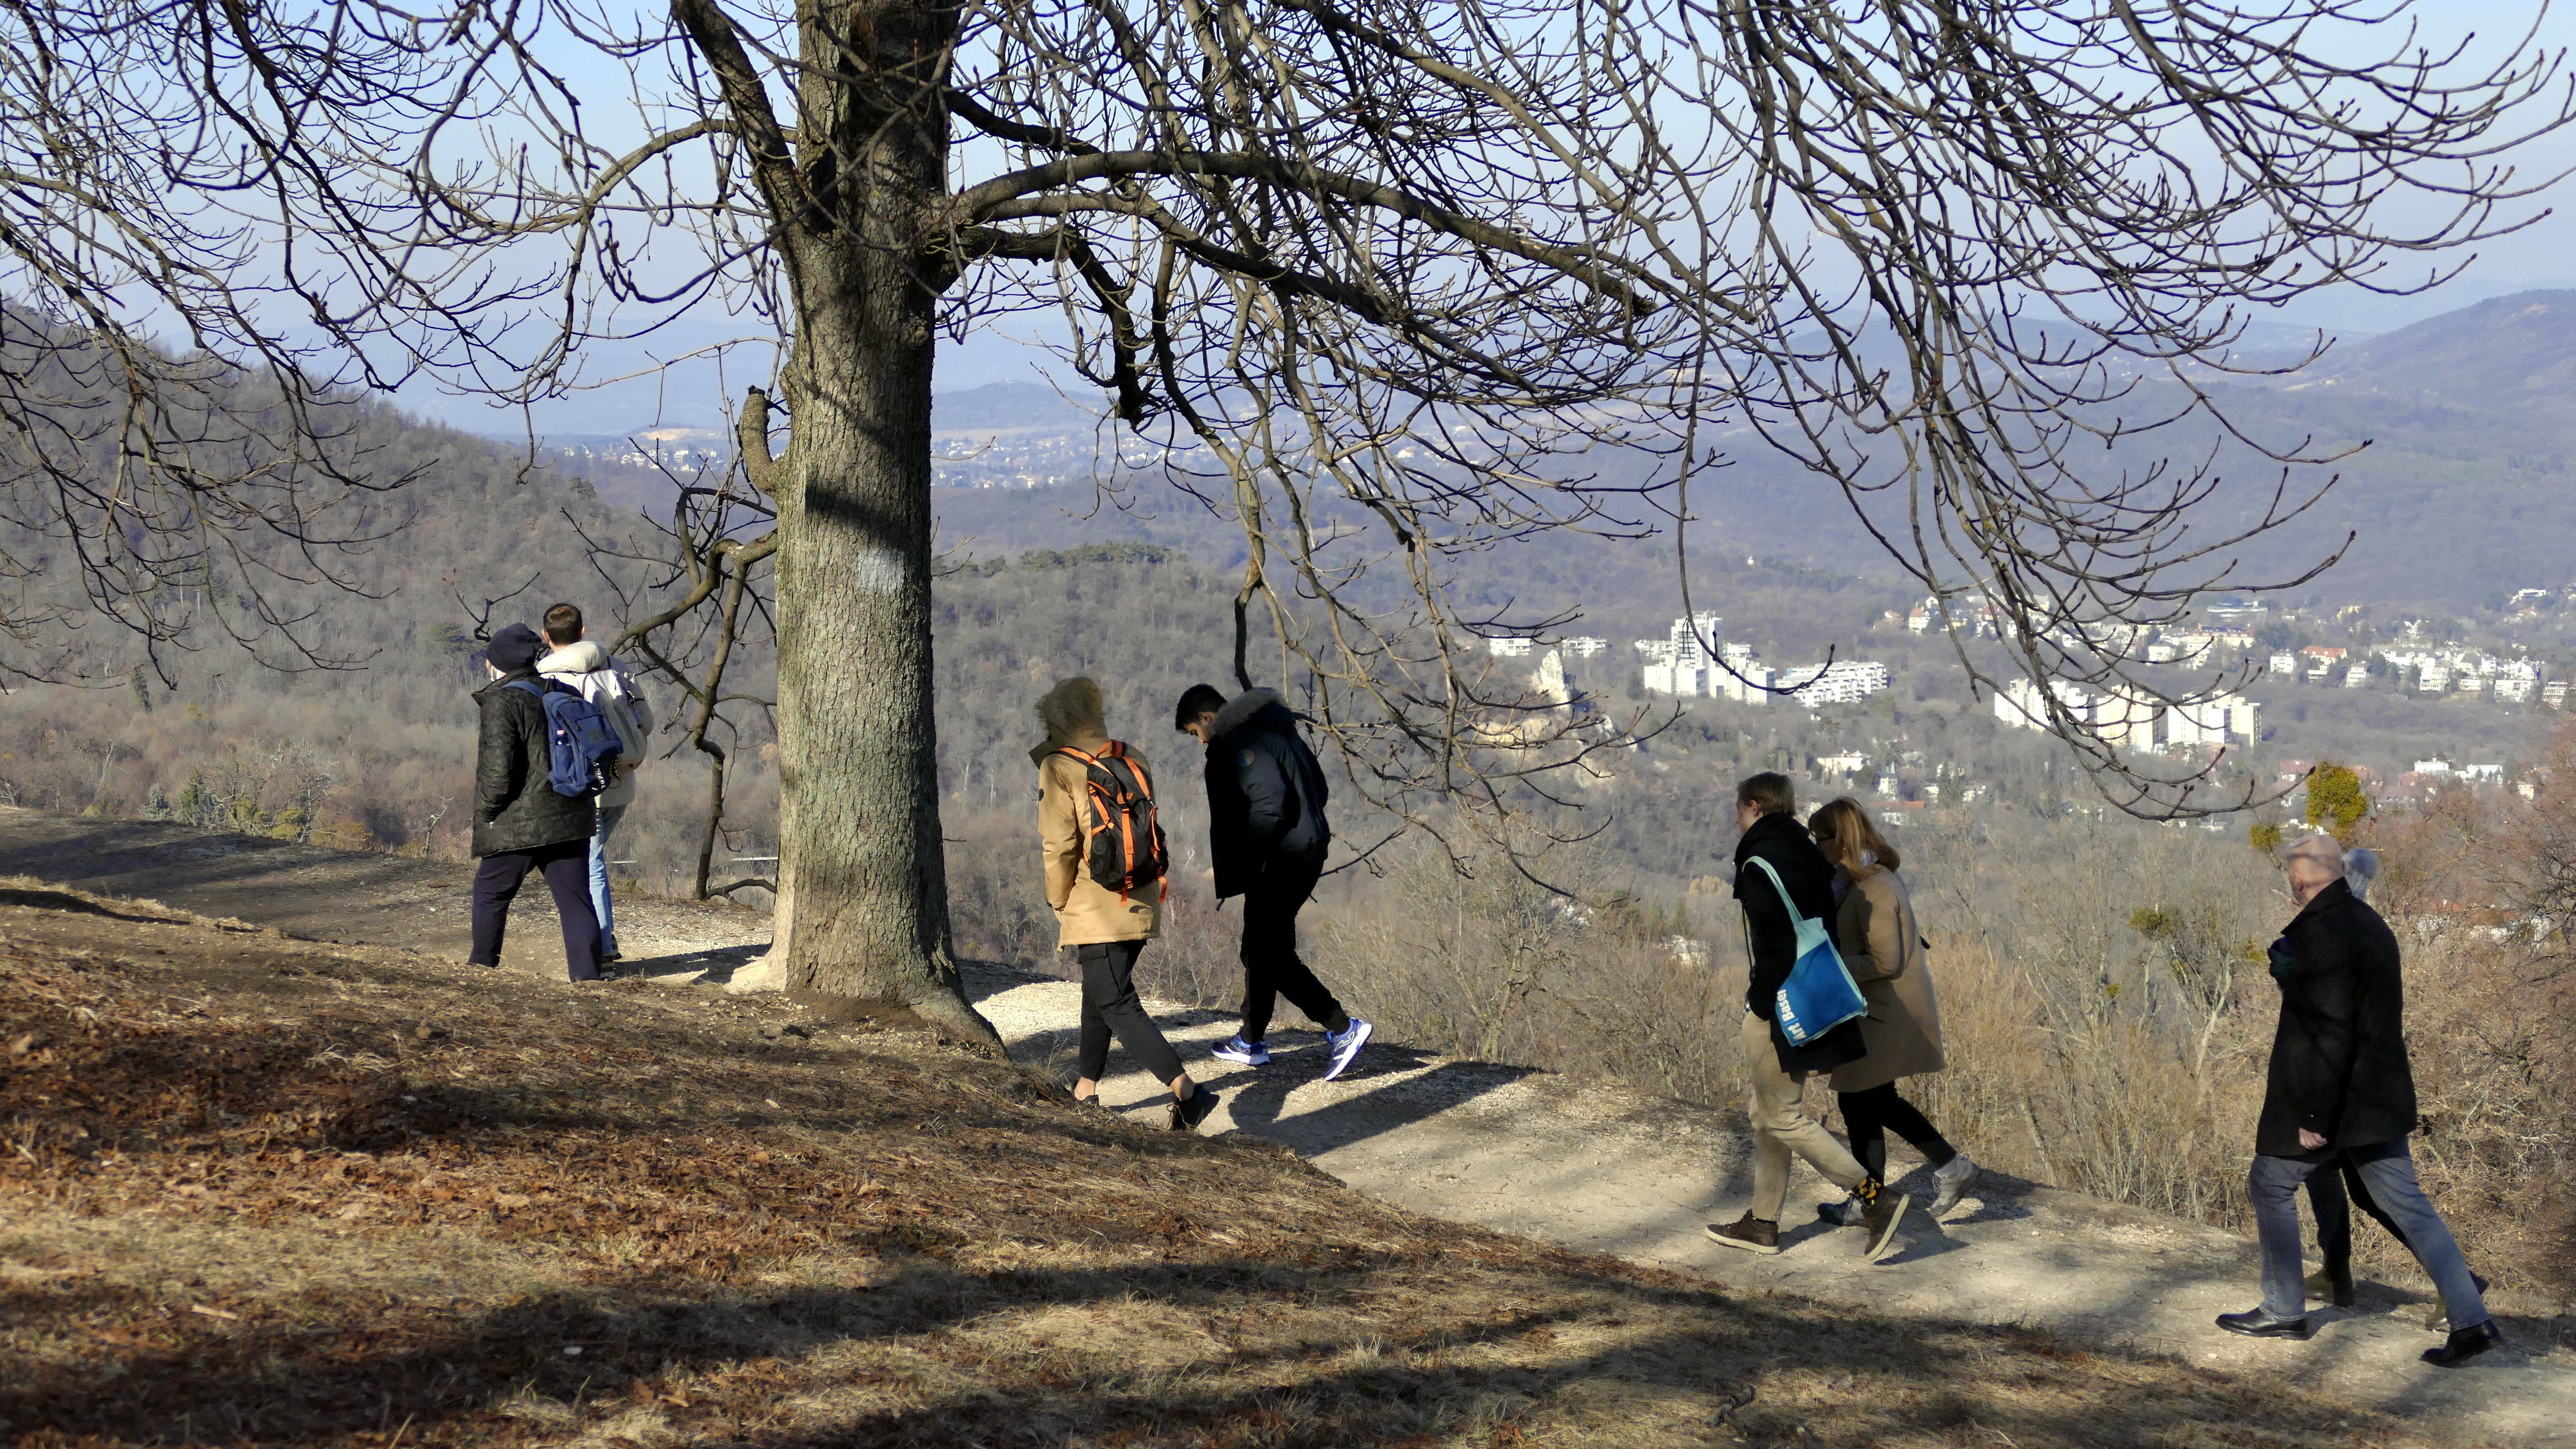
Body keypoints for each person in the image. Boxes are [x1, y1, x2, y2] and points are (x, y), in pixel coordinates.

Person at [2219, 833, 2504, 1367]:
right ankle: (2472, 1320)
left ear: (2300, 878)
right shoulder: (2366, 924)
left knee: (2271, 1181)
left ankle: (2284, 1309)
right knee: (2409, 1208)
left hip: (2338, 1102)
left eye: (2290, 873)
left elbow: (2330, 1034)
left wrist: (2311, 1117)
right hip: (2376, 1099)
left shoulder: (2325, 933)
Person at [1705, 773, 1909, 1264]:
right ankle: (1762, 1221)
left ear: (1754, 804)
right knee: (1769, 1113)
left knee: (1782, 1116)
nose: (1734, 818)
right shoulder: (1805, 852)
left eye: (1738, 808)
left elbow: (1773, 948)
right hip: (1812, 998)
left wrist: (1759, 1003)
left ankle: (1874, 1198)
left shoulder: (1759, 861)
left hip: (1778, 1005)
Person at [2295, 845, 2489, 1329]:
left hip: (2363, 1097)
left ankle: (2463, 1293)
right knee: (2333, 1180)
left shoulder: (2350, 933)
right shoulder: (2350, 927)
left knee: (2398, 1199)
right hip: (2355, 1093)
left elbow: (2337, 1024)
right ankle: (2336, 1272)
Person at [1035, 678, 1219, 1131]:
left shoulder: (1059, 766)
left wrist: (1058, 899)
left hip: (1095, 903)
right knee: (1099, 992)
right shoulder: (1131, 755)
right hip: (1140, 892)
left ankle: (1188, 1093)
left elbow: (1059, 844)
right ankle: (1085, 1088)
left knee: (1115, 1000)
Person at [1172, 682, 1372, 1082]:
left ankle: (1340, 1027)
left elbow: (1270, 803)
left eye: (1196, 732)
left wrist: (1252, 854)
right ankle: (1251, 1040)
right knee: (1260, 948)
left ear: (1208, 718)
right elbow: (1320, 788)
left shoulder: (1242, 743)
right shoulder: (1277, 731)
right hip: (1302, 851)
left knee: (1269, 953)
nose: (1200, 741)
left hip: (1280, 859)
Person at [1805, 797, 1982, 1225]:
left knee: (1859, 1101)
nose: (1816, 846)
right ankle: (1940, 1172)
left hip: (1882, 1012)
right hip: (1872, 1010)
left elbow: (1885, 961)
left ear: (1840, 840)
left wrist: (1826, 969)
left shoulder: (1876, 886)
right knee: (1872, 1102)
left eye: (1820, 838)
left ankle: (1873, 1199)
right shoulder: (1856, 879)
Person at [468, 622, 603, 982]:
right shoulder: (556, 688)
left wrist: (486, 812)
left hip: (522, 820)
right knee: (575, 901)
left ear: (496, 663)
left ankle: (481, 970)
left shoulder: (501, 701)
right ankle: (588, 982)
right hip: (570, 811)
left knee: (490, 892)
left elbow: (498, 773)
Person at [537, 603, 654, 964]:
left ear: (546, 636)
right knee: (594, 858)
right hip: (623, 780)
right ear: (582, 631)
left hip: (583, 783)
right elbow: (645, 722)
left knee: (590, 863)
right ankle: (602, 940)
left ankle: (602, 946)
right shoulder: (616, 666)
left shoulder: (545, 677)